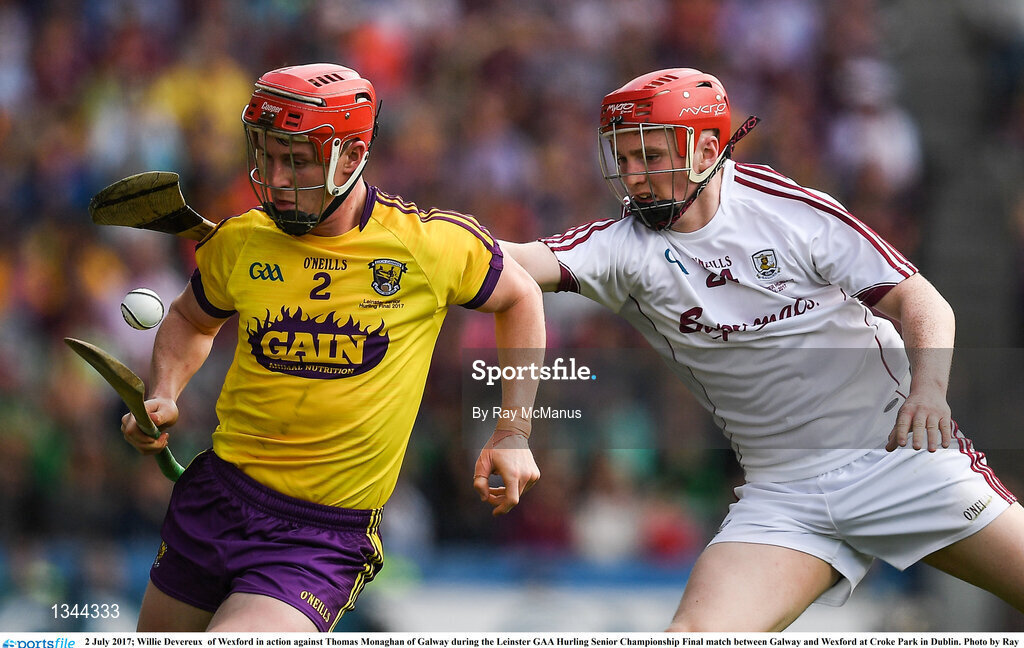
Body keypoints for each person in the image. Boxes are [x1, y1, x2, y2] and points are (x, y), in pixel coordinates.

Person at [502, 68, 1024, 631]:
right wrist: (419, 239)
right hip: (783, 498)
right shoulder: (622, 250)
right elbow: (508, 265)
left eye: (650, 157)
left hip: (900, 462)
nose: (635, 178)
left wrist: (929, 392)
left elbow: (921, 301)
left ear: (706, 149)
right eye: (623, 159)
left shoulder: (786, 209)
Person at [120, 63, 545, 632]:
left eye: (296, 160)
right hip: (216, 498)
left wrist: (513, 431)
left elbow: (522, 298)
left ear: (351, 156)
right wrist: (166, 392)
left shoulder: (427, 245)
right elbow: (189, 322)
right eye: (268, 154)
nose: (275, 177)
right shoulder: (240, 240)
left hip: (319, 535)